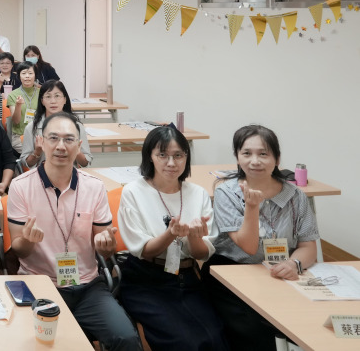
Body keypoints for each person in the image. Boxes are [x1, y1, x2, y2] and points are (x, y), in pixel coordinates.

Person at [6, 112, 142, 351]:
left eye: (69, 139)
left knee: (127, 338)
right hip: (40, 285)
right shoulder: (21, 186)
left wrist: (107, 244)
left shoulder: (94, 186)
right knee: (42, 344)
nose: (61, 146)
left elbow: (105, 248)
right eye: (54, 138)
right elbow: (19, 250)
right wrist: (27, 240)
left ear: (79, 146)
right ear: (41, 142)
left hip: (88, 287)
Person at [202, 125, 319, 351]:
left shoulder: (295, 196)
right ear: (237, 157)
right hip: (232, 272)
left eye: (263, 154)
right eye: (246, 153)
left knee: (304, 325)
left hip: (279, 272)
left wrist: (293, 263)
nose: (255, 161)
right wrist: (252, 207)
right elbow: (248, 246)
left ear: (277, 159)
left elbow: (308, 246)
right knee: (256, 332)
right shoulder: (227, 193)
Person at [116, 126, 227, 351]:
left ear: (186, 157)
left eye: (178, 155)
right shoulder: (133, 192)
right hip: (146, 280)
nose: (171, 163)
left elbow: (201, 253)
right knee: (183, 342)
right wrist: (171, 234)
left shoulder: (198, 193)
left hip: (187, 278)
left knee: (216, 339)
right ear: (150, 156)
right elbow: (145, 251)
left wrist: (194, 237)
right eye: (162, 155)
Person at [20, 80, 93, 169]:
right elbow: (26, 163)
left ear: (65, 99)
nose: (53, 101)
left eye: (57, 96)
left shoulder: (76, 126)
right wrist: (37, 152)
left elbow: (85, 163)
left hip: (69, 174)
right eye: (48, 96)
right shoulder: (32, 128)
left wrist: (77, 152)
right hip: (42, 175)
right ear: (42, 101)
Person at [6, 62, 42, 154]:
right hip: (20, 136)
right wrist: (18, 105)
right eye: (24, 73)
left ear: (35, 75)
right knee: (35, 155)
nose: (27, 76)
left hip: (40, 134)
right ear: (19, 76)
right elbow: (16, 121)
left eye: (30, 73)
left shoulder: (42, 93)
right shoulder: (13, 95)